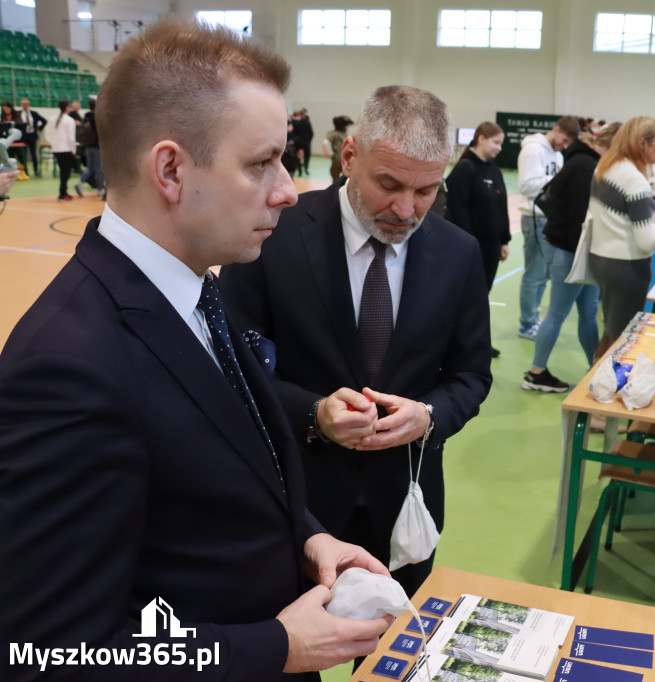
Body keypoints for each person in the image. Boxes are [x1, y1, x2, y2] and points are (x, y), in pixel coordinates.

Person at [0, 18, 394, 680]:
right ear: (171, 169)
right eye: (260, 163)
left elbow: (216, 474)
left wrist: (306, 536)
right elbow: (44, 650)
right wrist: (278, 646)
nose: (288, 190)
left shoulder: (195, 294)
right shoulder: (68, 368)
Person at [219, 85, 492, 599]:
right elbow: (232, 368)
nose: (407, 209)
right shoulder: (272, 234)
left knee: (392, 664)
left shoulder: (459, 253)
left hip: (405, 508)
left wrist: (428, 417)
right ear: (348, 157)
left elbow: (471, 375)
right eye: (388, 183)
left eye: (428, 190)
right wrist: (315, 413)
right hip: (294, 505)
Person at [522, 122, 621, 392]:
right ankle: (535, 372)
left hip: (577, 250)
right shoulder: (584, 166)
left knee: (588, 314)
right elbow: (579, 216)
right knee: (556, 312)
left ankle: (597, 366)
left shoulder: (584, 162)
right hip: (570, 251)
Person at [588, 116, 655, 358]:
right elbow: (646, 242)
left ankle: (595, 383)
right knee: (622, 340)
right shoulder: (634, 180)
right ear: (642, 142)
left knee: (611, 332)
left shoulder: (606, 167)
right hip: (627, 267)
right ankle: (602, 389)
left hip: (602, 260)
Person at [445, 121, 510, 358]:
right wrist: (467, 245)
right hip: (472, 248)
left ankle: (477, 343)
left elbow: (501, 206)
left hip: (491, 247)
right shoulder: (465, 168)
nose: (499, 148)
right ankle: (456, 344)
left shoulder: (494, 169)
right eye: (496, 142)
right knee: (465, 299)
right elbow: (458, 209)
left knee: (482, 298)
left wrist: (504, 240)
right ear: (480, 139)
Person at [517, 115, 580, 340]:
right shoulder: (533, 150)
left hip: (550, 219)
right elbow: (526, 185)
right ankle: (526, 324)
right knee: (534, 275)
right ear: (556, 129)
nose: (563, 146)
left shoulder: (557, 153)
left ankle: (533, 317)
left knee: (543, 275)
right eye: (563, 140)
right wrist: (557, 180)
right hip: (535, 218)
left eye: (567, 144)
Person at [75, 97, 105, 199]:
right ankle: (100, 189)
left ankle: (80, 182)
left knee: (89, 167)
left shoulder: (85, 117)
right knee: (99, 168)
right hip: (96, 146)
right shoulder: (96, 118)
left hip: (87, 146)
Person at [50, 99, 78, 201]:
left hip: (57, 149)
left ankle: (64, 191)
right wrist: (73, 149)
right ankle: (62, 193)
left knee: (63, 171)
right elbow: (71, 137)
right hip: (66, 149)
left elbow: (51, 134)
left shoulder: (53, 119)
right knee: (65, 172)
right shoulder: (69, 120)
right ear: (67, 107)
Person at [17, 97, 46, 177]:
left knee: (34, 154)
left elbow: (44, 121)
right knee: (23, 154)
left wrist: (39, 128)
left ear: (29, 105)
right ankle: (24, 171)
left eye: (26, 104)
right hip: (23, 136)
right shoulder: (18, 113)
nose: (25, 105)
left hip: (32, 135)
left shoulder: (33, 113)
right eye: (23, 104)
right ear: (21, 105)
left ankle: (36, 170)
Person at [323, 114, 353, 182]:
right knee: (346, 178)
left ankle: (335, 191)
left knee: (335, 177)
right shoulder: (346, 134)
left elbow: (324, 143)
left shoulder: (333, 133)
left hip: (337, 158)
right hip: (347, 158)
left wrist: (325, 152)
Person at [291, 108, 313, 177]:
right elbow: (311, 133)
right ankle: (306, 167)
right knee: (307, 155)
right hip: (306, 142)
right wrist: (308, 141)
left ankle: (299, 169)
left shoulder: (295, 123)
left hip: (298, 142)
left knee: (298, 155)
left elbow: (294, 133)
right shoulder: (307, 122)